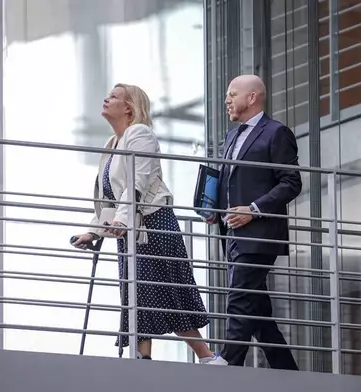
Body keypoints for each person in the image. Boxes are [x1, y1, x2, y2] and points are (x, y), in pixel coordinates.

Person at [71, 83, 217, 363]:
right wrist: (93, 231)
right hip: (129, 229)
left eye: (113, 96)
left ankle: (207, 356)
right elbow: (107, 200)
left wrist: (121, 222)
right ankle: (143, 359)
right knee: (136, 295)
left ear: (128, 107)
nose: (106, 98)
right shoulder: (112, 145)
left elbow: (136, 185)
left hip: (153, 224)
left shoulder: (140, 134)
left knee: (168, 290)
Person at [206, 75, 301, 370]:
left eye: (232, 94)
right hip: (231, 232)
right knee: (257, 310)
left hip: (259, 232)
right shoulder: (232, 136)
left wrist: (254, 209)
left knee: (240, 296)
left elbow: (292, 182)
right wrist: (213, 208)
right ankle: (287, 371)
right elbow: (228, 180)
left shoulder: (276, 133)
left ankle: (228, 361)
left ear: (252, 98)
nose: (226, 100)